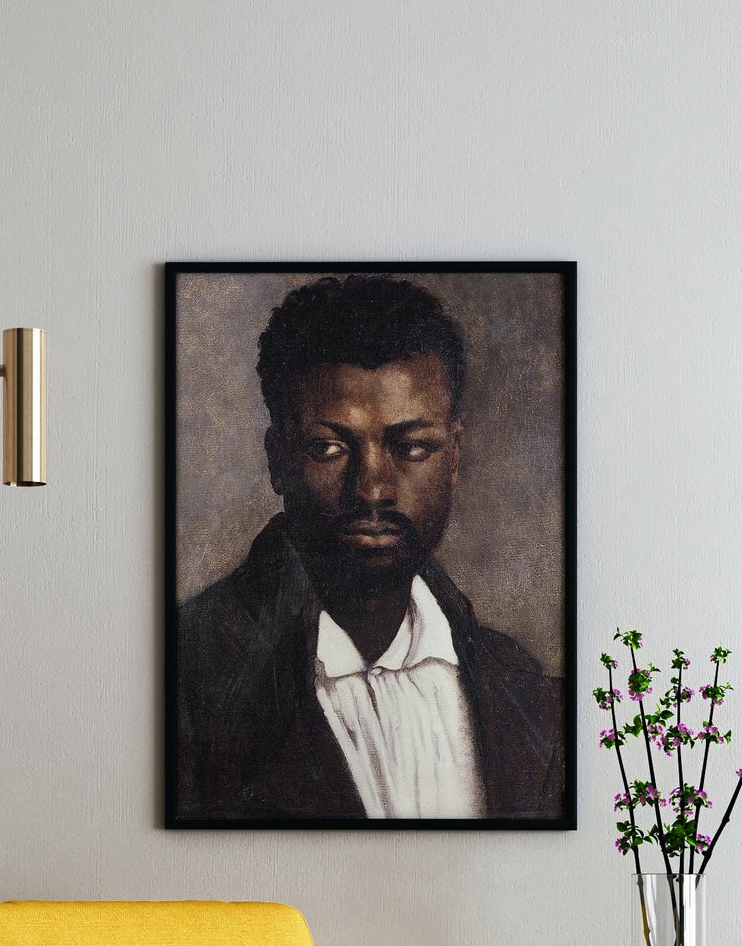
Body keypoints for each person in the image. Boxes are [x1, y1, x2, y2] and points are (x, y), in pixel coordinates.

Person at [174, 274, 565, 823]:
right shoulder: (188, 674)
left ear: (453, 456)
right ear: (278, 458)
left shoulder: (522, 689)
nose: (373, 488)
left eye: (411, 447)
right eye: (329, 447)